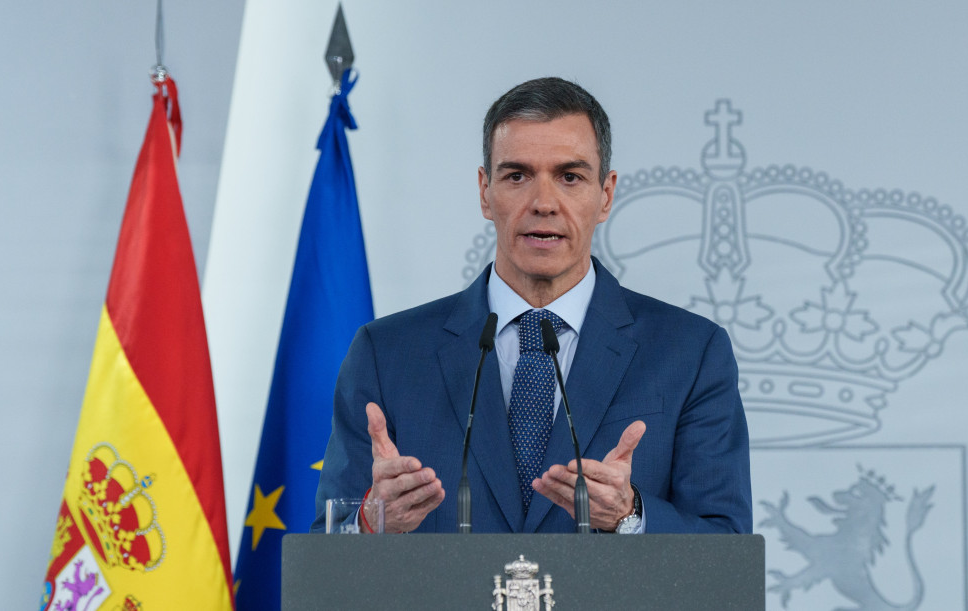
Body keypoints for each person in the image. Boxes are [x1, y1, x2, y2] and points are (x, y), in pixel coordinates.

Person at [312, 77, 751, 534]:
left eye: (570, 177)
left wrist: (630, 516)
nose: (543, 203)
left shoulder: (692, 353)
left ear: (606, 194)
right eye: (517, 175)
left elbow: (728, 547)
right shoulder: (386, 353)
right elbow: (324, 558)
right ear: (485, 191)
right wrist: (368, 521)